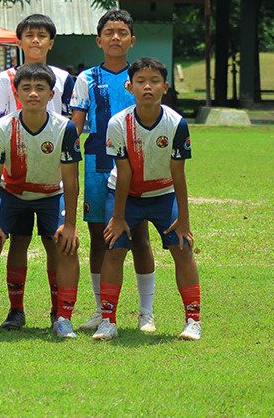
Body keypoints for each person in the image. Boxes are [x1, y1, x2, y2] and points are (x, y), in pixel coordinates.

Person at [93, 58, 201, 341]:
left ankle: (193, 321)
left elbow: (178, 173)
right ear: (130, 87)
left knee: (182, 248)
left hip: (163, 194)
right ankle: (108, 321)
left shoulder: (176, 123)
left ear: (166, 87)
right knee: (114, 249)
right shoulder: (118, 123)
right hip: (123, 194)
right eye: (141, 81)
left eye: (154, 81)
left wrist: (184, 219)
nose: (147, 87)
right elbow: (124, 172)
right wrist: (118, 218)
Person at [0, 62, 82, 338]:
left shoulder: (64, 128)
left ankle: (63, 317)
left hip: (50, 195)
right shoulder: (1, 128)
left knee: (66, 247)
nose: (33, 93)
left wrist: (70, 225)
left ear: (51, 93)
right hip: (12, 195)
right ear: (16, 93)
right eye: (26, 88)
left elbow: (70, 182)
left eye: (40, 88)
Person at [69, 10, 158, 332]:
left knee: (140, 237)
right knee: (99, 237)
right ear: (99, 40)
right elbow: (76, 124)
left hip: (139, 165)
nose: (115, 37)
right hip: (97, 162)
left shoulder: (142, 77)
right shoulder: (87, 79)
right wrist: (61, 150)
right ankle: (100, 310)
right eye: (109, 32)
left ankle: (146, 313)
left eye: (122, 32)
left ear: (132, 40)